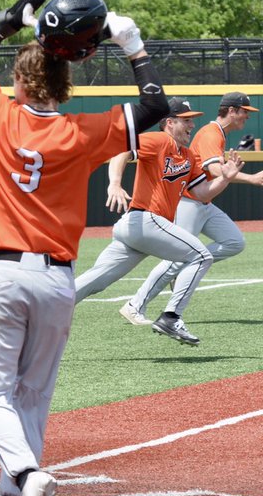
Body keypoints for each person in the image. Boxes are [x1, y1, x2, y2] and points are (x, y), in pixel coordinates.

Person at [0, 0, 168, 496]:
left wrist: (11, 20)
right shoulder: (82, 131)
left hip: (5, 272)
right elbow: (156, 105)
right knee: (33, 396)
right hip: (57, 280)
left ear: (20, 82)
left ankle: (25, 477)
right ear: (66, 85)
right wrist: (132, 45)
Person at [74, 98, 238, 345]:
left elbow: (202, 193)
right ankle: (171, 317)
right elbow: (121, 150)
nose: (191, 125)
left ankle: (42, 308)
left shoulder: (188, 155)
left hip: (140, 229)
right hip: (145, 219)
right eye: (186, 120)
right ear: (169, 123)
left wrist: (225, 179)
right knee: (201, 256)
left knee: (96, 280)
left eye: (192, 120)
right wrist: (115, 184)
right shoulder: (160, 140)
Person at [120, 91, 263, 325]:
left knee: (234, 241)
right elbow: (216, 170)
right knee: (177, 257)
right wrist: (252, 178)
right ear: (231, 110)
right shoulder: (210, 133)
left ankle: (188, 264)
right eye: (244, 111)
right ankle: (135, 304)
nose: (247, 116)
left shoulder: (219, 134)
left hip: (203, 202)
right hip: (188, 202)